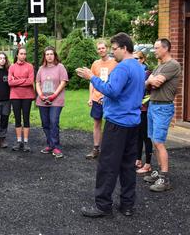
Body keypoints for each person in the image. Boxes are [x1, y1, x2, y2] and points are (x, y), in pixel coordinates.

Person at [76, 32, 145, 218]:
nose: (113, 53)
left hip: (117, 123)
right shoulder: (139, 67)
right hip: (133, 123)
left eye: (114, 49)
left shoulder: (122, 68)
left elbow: (112, 90)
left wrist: (92, 77)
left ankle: (103, 205)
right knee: (128, 165)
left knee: (107, 165)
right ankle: (127, 205)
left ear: (124, 48)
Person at [144, 38, 181, 192]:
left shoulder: (173, 65)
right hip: (153, 105)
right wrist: (150, 80)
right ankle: (159, 173)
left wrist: (151, 81)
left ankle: (164, 179)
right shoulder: (159, 66)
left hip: (163, 108)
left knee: (159, 142)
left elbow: (156, 83)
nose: (154, 50)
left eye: (157, 47)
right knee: (154, 141)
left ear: (165, 49)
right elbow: (147, 83)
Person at [86, 40, 117, 159]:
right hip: (96, 98)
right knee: (97, 123)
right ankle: (96, 149)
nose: (101, 50)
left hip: (109, 98)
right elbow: (92, 81)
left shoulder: (114, 63)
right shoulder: (95, 64)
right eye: (99, 49)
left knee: (111, 124)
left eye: (103, 48)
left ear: (107, 49)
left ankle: (110, 150)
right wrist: (90, 97)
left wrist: (108, 96)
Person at [35, 46, 68, 158]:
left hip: (56, 100)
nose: (49, 56)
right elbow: (38, 83)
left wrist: (54, 95)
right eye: (47, 54)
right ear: (44, 56)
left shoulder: (60, 67)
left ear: (55, 55)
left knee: (53, 121)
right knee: (45, 123)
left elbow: (63, 82)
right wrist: (40, 95)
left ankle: (56, 147)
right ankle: (50, 144)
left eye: (51, 54)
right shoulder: (41, 69)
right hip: (43, 100)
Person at [8, 47, 35, 152]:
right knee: (17, 119)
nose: (23, 55)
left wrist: (18, 80)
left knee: (26, 118)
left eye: (25, 54)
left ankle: (26, 142)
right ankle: (19, 141)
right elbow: (10, 82)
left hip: (27, 96)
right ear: (17, 55)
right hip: (15, 96)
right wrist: (24, 80)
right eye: (21, 53)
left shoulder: (29, 66)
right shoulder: (12, 67)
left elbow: (30, 81)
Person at [134, 51, 153, 174]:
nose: (136, 61)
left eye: (138, 58)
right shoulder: (135, 73)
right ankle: (138, 160)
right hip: (136, 110)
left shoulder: (148, 73)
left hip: (145, 110)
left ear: (143, 59)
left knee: (146, 137)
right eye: (134, 58)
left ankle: (148, 164)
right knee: (138, 137)